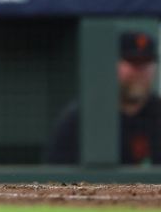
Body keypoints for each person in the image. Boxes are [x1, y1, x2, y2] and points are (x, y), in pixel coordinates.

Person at [47, 31, 161, 165]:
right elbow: (55, 178)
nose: (140, 71)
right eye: (133, 63)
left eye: (146, 63)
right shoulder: (81, 118)